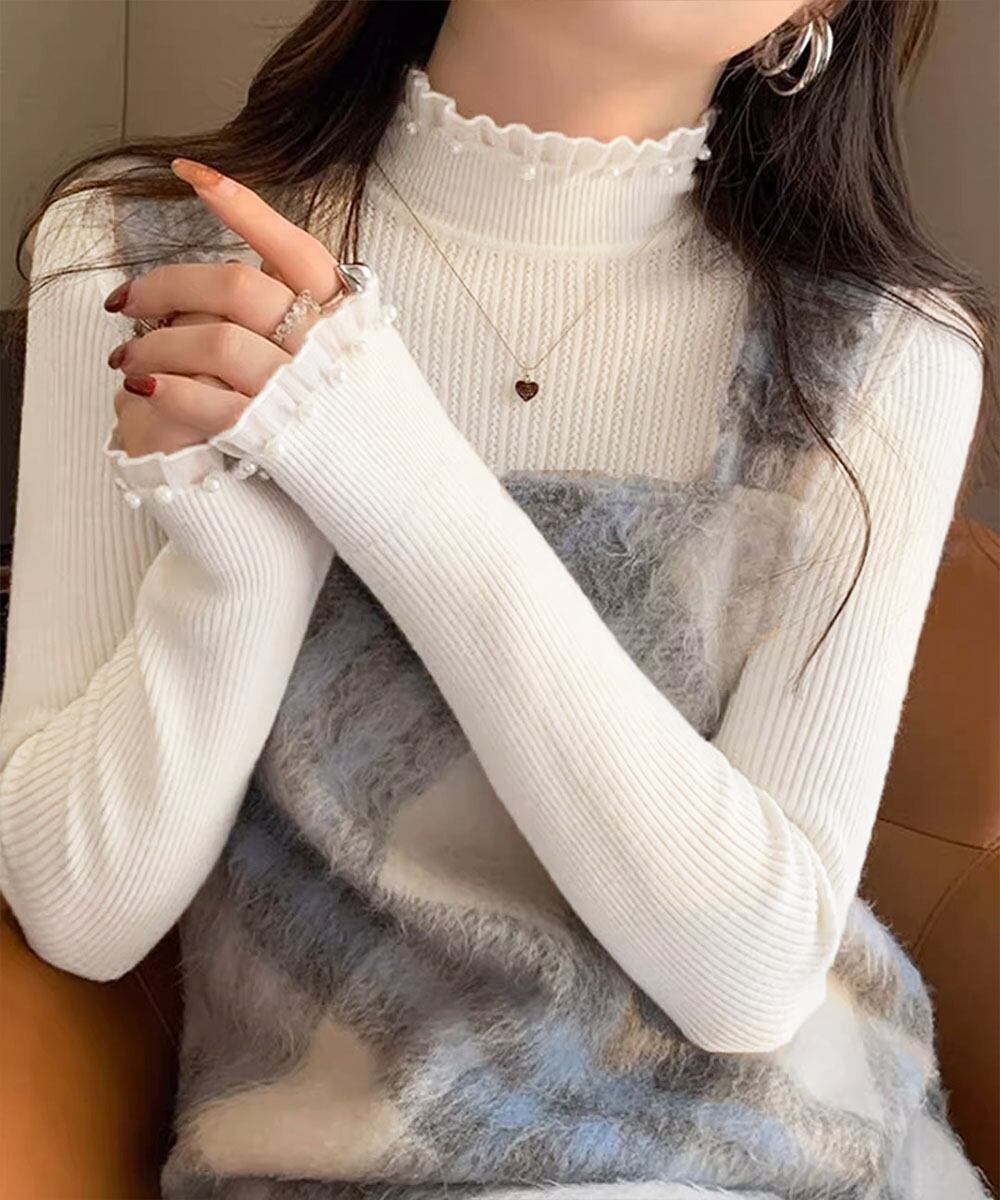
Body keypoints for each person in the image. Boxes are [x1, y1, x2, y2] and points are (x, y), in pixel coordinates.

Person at [0, 2, 994, 1196]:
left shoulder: (879, 351)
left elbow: (750, 978)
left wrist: (386, 465)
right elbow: (82, 907)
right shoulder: (136, 251)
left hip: (771, 1164)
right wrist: (243, 562)